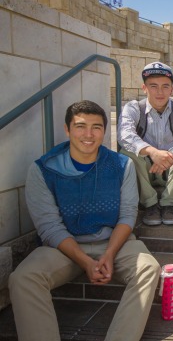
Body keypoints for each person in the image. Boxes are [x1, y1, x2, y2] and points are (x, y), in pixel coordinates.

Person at [8, 100, 160, 341]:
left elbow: (128, 214)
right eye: (80, 126)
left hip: (114, 243)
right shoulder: (43, 169)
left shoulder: (122, 165)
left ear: (104, 131)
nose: (88, 134)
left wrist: (108, 255)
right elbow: (49, 227)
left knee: (148, 268)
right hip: (64, 247)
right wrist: (85, 262)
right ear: (67, 130)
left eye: (96, 127)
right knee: (23, 278)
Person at [118, 61, 173, 226]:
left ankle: (168, 203)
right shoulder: (134, 108)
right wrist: (152, 152)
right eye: (153, 86)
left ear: (172, 89)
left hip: (171, 170)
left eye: (165, 86)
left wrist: (170, 155)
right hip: (145, 170)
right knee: (126, 152)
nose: (160, 92)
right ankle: (150, 204)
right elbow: (124, 135)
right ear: (144, 88)